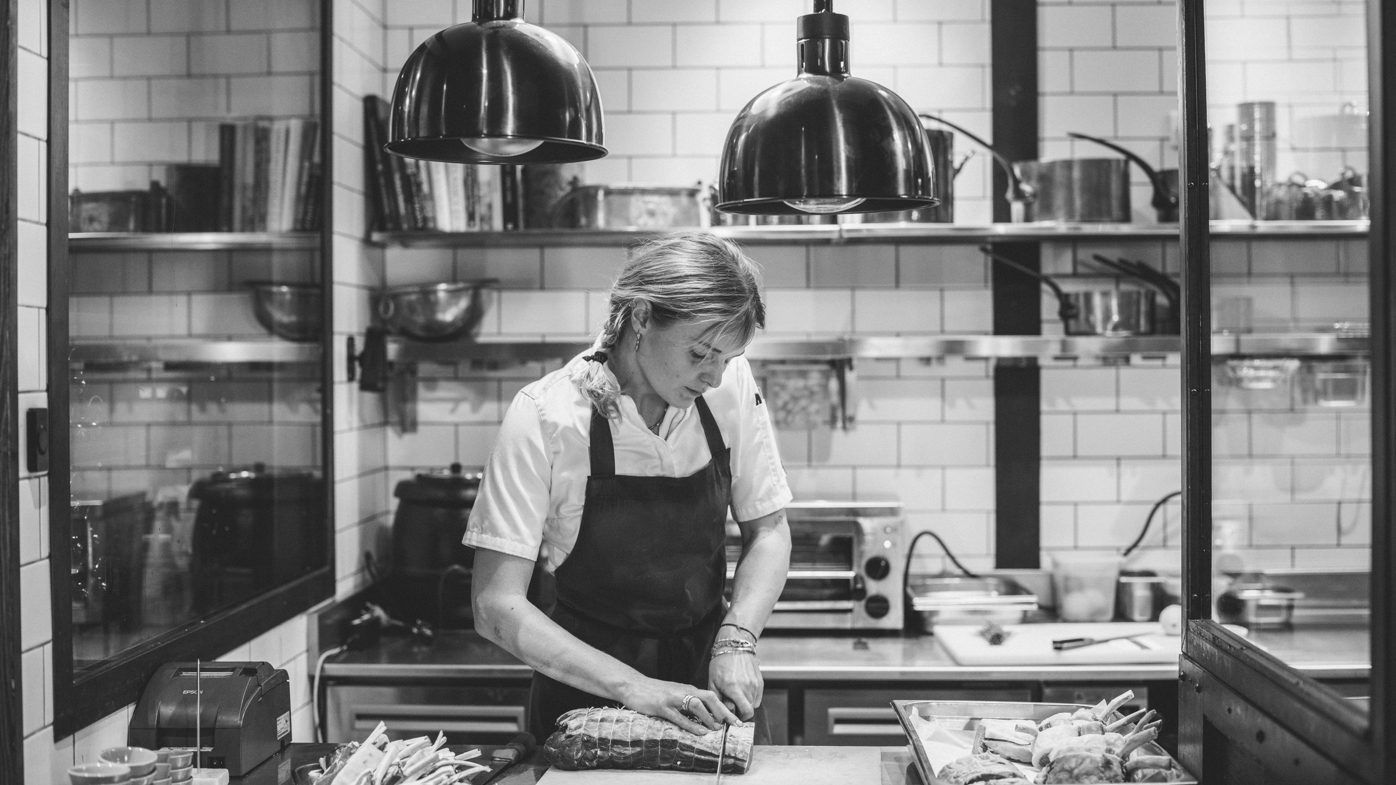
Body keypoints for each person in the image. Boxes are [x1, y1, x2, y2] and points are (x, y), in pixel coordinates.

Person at [465, 231, 793, 741]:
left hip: (711, 693)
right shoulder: (546, 415)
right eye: (700, 354)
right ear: (641, 317)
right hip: (586, 700)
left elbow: (769, 529)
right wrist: (638, 688)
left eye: (728, 359)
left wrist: (737, 639)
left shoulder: (730, 386)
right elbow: (494, 605)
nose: (714, 376)